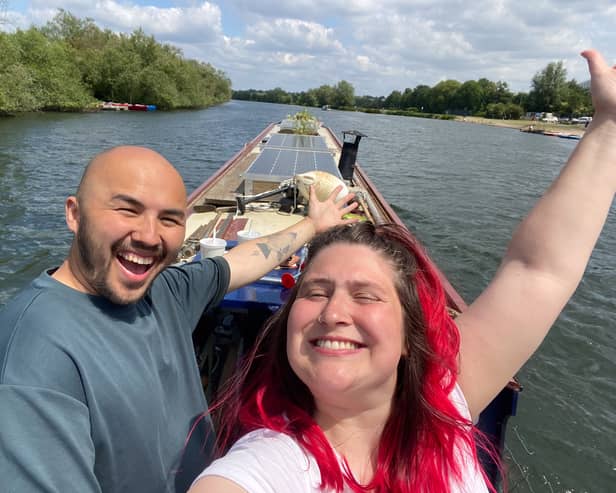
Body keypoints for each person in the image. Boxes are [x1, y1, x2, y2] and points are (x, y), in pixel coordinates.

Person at [189, 48, 616, 493]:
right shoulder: (263, 466)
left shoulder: (446, 403)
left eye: (366, 295)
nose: (333, 311)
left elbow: (537, 271)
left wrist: (609, 124)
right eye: (315, 291)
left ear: (410, 338)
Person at [0, 145, 357, 493]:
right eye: (127, 210)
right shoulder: (33, 356)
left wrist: (313, 224)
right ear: (75, 215)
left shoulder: (164, 292)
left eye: (169, 219)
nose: (149, 236)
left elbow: (241, 261)